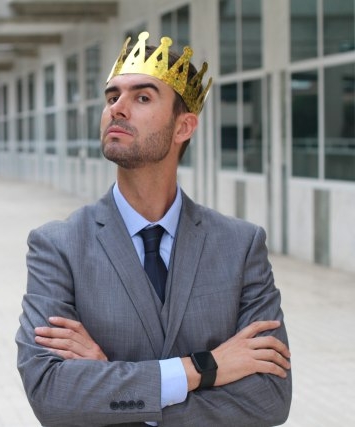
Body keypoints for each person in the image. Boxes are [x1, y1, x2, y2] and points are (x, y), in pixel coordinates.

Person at [16, 31, 292, 427]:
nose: (117, 108)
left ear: (183, 127)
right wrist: (205, 367)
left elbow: (269, 400)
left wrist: (110, 380)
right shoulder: (58, 247)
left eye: (142, 98)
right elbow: (51, 395)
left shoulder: (241, 245)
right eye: (112, 97)